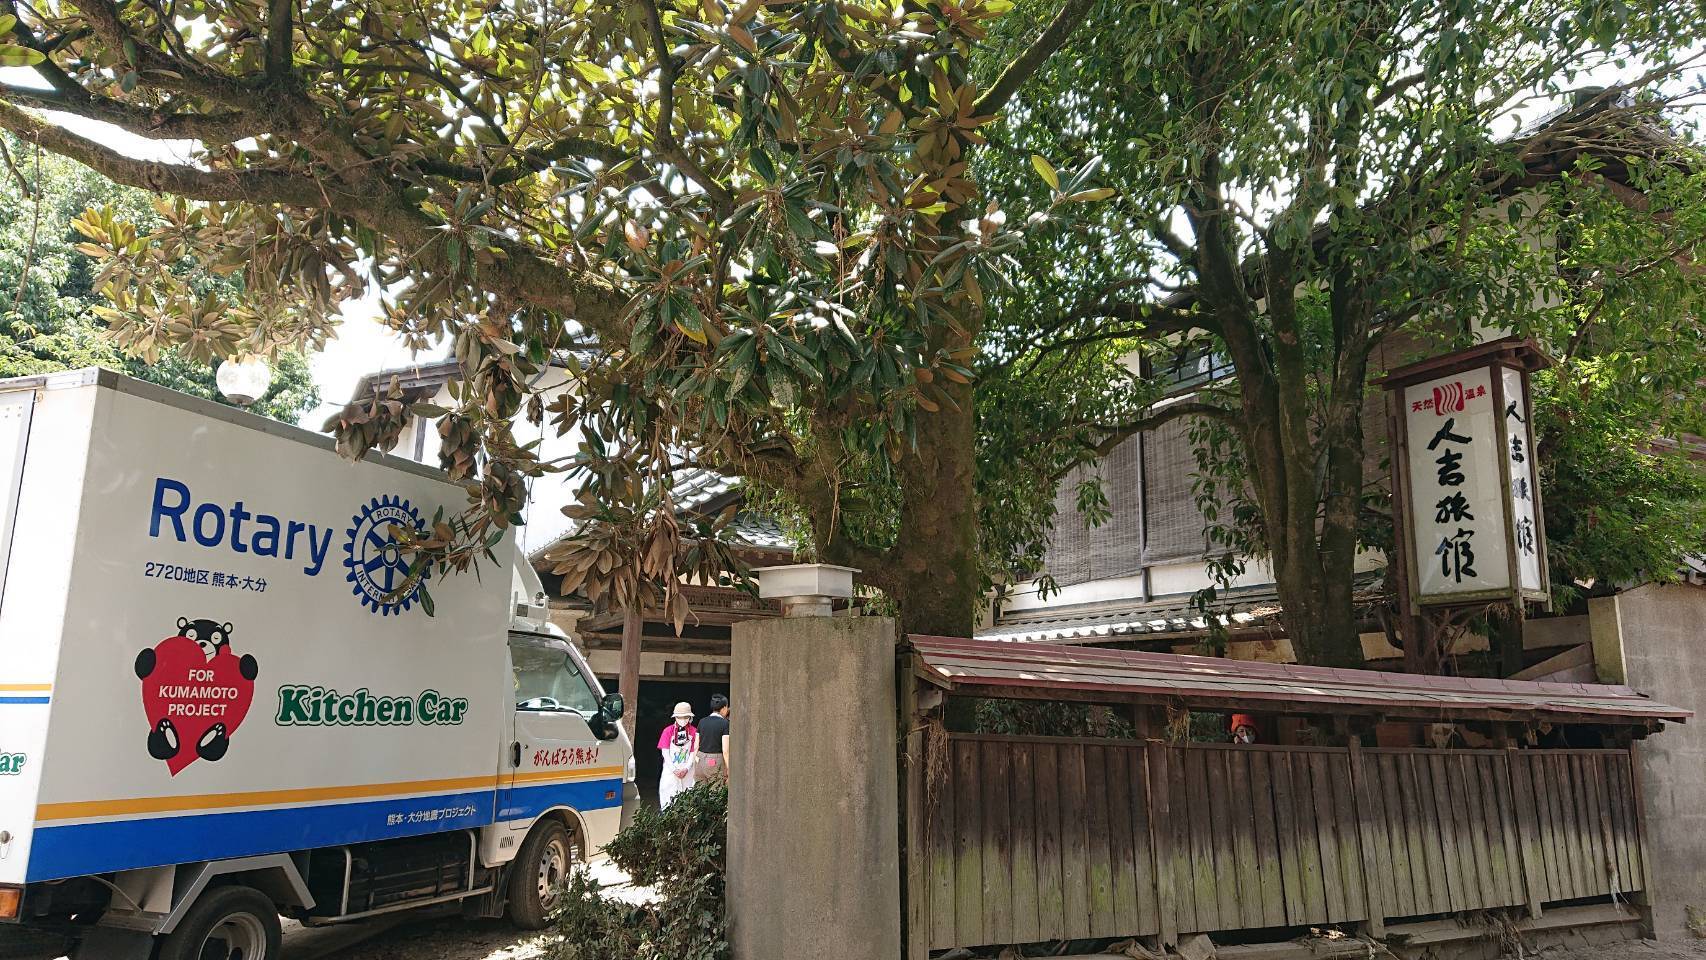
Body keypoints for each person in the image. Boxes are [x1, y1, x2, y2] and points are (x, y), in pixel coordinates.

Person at [657, 702, 698, 809]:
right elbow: (665, 752)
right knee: (668, 800)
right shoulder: (668, 731)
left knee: (688, 801)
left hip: (688, 772)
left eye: (685, 717)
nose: (682, 719)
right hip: (670, 771)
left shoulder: (694, 732)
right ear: (675, 717)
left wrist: (686, 768)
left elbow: (693, 752)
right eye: (679, 717)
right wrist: (674, 769)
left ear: (690, 717)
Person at [696, 694, 730, 782]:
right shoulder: (725, 723)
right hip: (715, 760)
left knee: (700, 789)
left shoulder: (702, 721)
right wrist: (729, 768)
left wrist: (695, 761)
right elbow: (725, 750)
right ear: (724, 707)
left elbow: (696, 745)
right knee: (716, 789)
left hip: (700, 759)